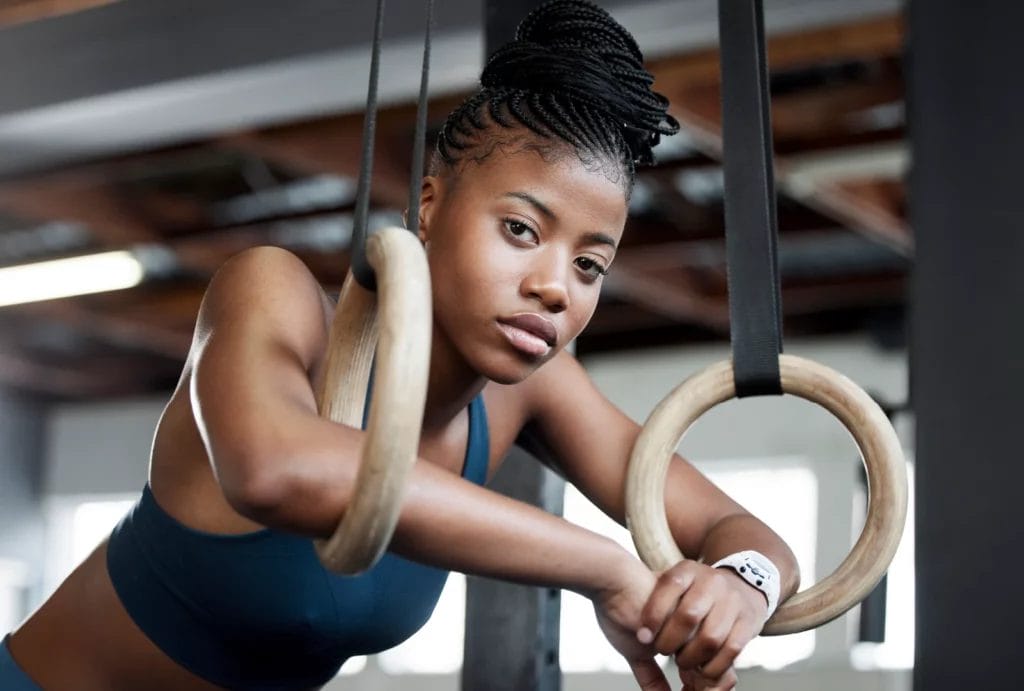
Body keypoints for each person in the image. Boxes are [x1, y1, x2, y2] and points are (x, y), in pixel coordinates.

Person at [2, 1, 799, 689]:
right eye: (521, 229)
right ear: (430, 204)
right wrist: (607, 566)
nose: (558, 287)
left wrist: (742, 585)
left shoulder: (533, 390)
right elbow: (280, 468)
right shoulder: (272, 295)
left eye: (590, 263)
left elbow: (745, 535)